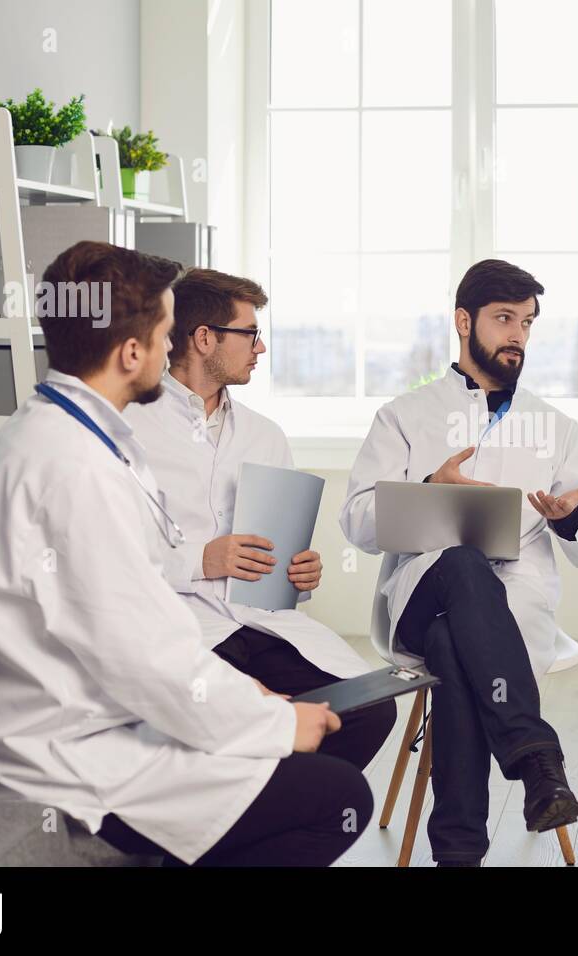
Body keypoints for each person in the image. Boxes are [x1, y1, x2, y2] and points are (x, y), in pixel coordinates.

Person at [0, 241, 371, 867]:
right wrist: (271, 724)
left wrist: (239, 695)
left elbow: (133, 617)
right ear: (132, 351)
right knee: (337, 798)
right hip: (59, 757)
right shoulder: (74, 467)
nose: (173, 349)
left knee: (309, 758)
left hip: (83, 716)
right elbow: (138, 650)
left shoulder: (59, 436)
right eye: (166, 333)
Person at [339, 259, 578, 865]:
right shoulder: (405, 414)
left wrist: (570, 517)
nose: (517, 334)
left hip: (515, 609)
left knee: (454, 643)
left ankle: (459, 851)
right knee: (463, 564)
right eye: (503, 319)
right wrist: (428, 489)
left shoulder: (555, 426)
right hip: (418, 594)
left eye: (526, 322)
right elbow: (358, 523)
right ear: (464, 322)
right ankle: (535, 757)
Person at [125, 268, 394, 771]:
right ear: (204, 338)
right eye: (250, 334)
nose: (261, 348)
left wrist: (300, 575)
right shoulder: (129, 427)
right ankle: (254, 817)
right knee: (229, 718)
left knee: (368, 709)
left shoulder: (265, 435)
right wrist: (201, 560)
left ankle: (279, 822)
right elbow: (108, 561)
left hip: (262, 624)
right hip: (185, 626)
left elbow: (277, 562)